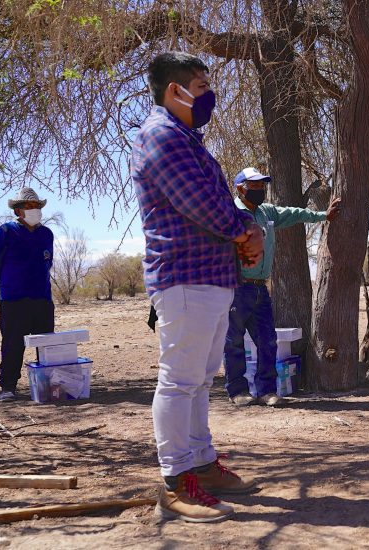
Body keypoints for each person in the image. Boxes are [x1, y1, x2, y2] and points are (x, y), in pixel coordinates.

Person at [131, 51, 265, 523]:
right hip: (185, 276)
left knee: (200, 380)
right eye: (202, 87)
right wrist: (245, 230)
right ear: (175, 90)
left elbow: (220, 202)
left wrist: (249, 227)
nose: (209, 96)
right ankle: (174, 483)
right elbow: (203, 206)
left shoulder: (187, 138)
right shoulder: (162, 137)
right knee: (180, 380)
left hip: (209, 276)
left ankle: (201, 464)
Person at [223, 167, 342, 406]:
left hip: (260, 289)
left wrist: (322, 216)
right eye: (254, 186)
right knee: (233, 341)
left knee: (268, 340)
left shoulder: (267, 212)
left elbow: (293, 213)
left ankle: (266, 390)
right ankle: (238, 391)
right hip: (235, 287)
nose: (259, 190)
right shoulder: (230, 212)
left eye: (261, 185)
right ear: (239, 188)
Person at [0, 188, 55, 403]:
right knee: (13, 344)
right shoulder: (4, 233)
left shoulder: (46, 234)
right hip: (14, 300)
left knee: (46, 344)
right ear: (18, 211)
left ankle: (48, 386)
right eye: (29, 207)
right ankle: (8, 387)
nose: (35, 211)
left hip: (42, 298)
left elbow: (47, 261)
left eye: (37, 207)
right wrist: (7, 284)